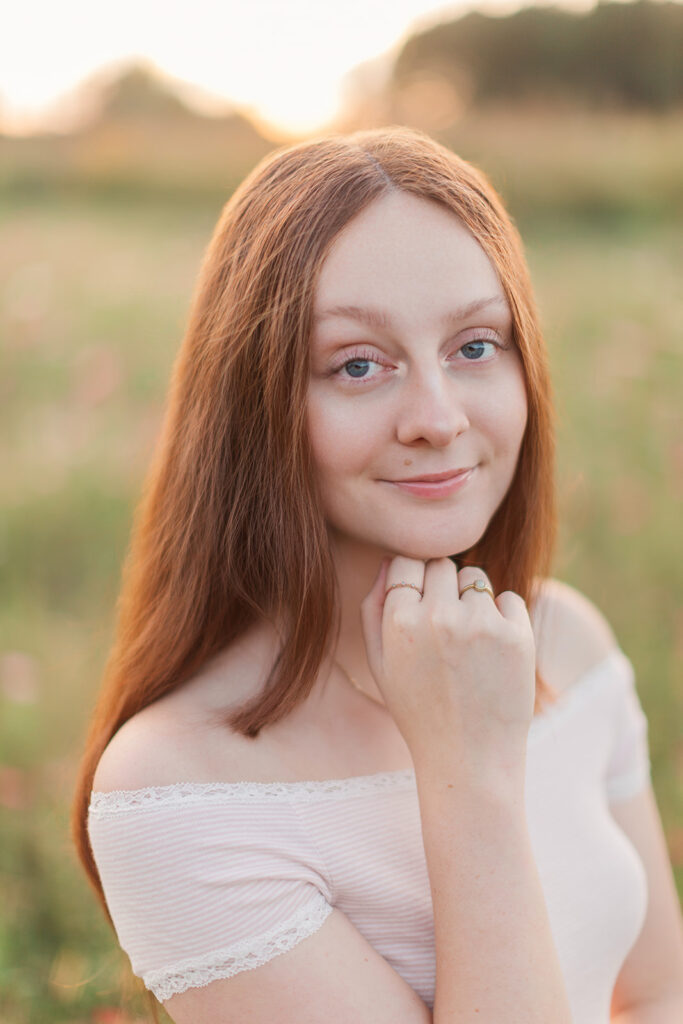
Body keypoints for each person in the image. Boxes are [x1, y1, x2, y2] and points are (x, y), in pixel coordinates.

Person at [72, 126, 683, 1023]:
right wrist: (468, 773)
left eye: (476, 345)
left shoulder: (564, 639)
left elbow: (658, 992)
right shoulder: (176, 786)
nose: (436, 417)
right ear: (255, 405)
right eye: (359, 364)